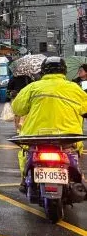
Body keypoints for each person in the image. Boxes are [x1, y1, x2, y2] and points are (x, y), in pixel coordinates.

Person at [12, 57, 87, 190]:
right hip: (68, 137)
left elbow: (17, 108)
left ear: (43, 72)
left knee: (24, 153)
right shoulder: (75, 88)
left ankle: (24, 179)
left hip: (35, 137)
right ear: (64, 71)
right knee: (75, 152)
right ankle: (79, 177)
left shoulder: (32, 88)